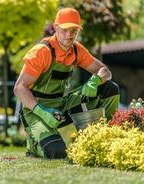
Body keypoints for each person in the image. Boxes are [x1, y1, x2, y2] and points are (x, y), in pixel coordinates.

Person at [13, 8, 120, 159]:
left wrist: (95, 81)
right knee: (57, 151)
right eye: (64, 30)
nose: (69, 35)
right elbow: (19, 88)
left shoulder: (77, 50)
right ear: (56, 28)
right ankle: (33, 145)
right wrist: (41, 110)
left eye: (73, 30)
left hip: (61, 104)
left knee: (110, 89)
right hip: (35, 109)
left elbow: (105, 71)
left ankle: (107, 135)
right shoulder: (41, 52)